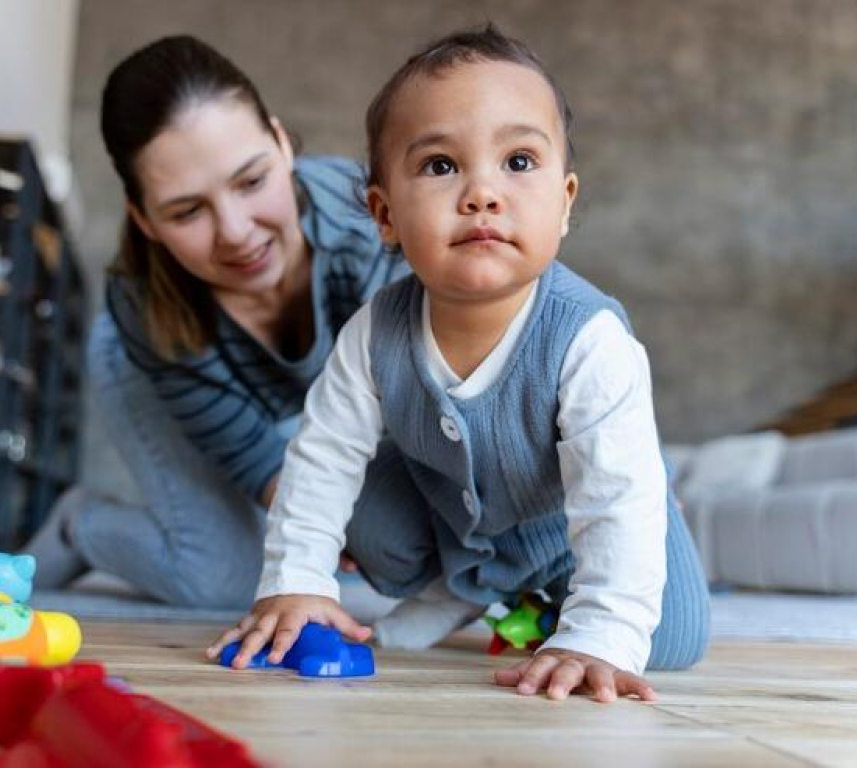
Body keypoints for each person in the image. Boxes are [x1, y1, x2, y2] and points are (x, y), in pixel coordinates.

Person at [207, 25, 710, 702]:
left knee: (667, 640)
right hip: (454, 521)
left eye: (519, 162)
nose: (481, 192)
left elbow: (613, 499)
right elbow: (322, 457)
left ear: (564, 203)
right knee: (360, 509)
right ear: (384, 215)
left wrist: (599, 636)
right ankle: (475, 584)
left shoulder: (588, 337)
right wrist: (295, 584)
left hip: (574, 514)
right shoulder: (375, 331)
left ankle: (556, 584)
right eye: (441, 166)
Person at [24, 35, 406, 608]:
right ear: (144, 220)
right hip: (142, 357)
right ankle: (81, 524)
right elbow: (258, 461)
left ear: (280, 143)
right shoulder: (144, 306)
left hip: (278, 378)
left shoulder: (369, 227)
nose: (235, 231)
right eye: (187, 211)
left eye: (251, 181)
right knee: (222, 582)